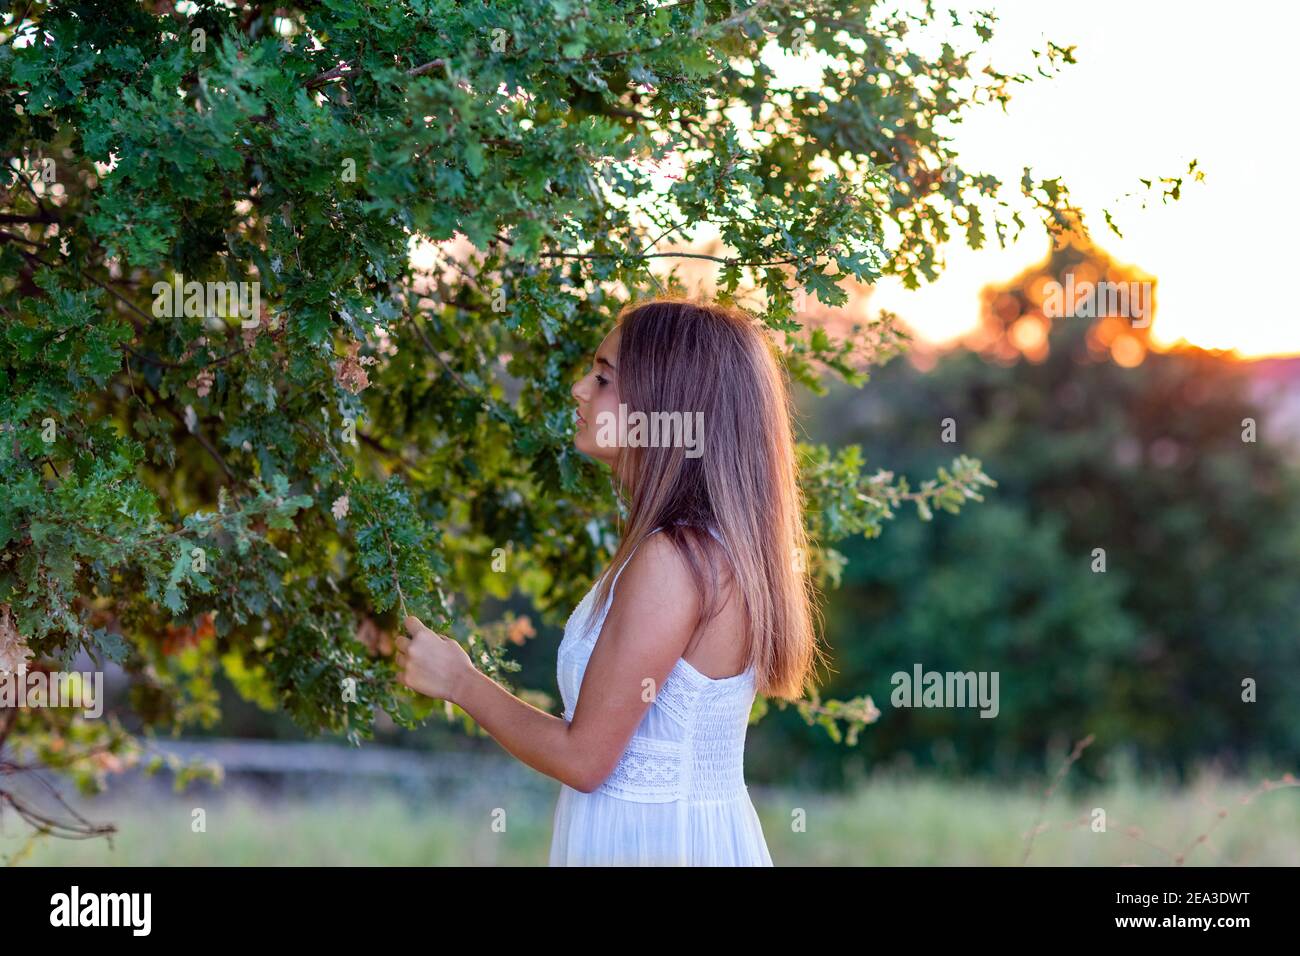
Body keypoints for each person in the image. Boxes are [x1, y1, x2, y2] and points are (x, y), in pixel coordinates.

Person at [397, 297, 825, 865]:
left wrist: (460, 682)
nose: (579, 389)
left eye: (603, 378)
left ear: (665, 403)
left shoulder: (676, 558)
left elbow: (585, 759)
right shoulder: (696, 548)